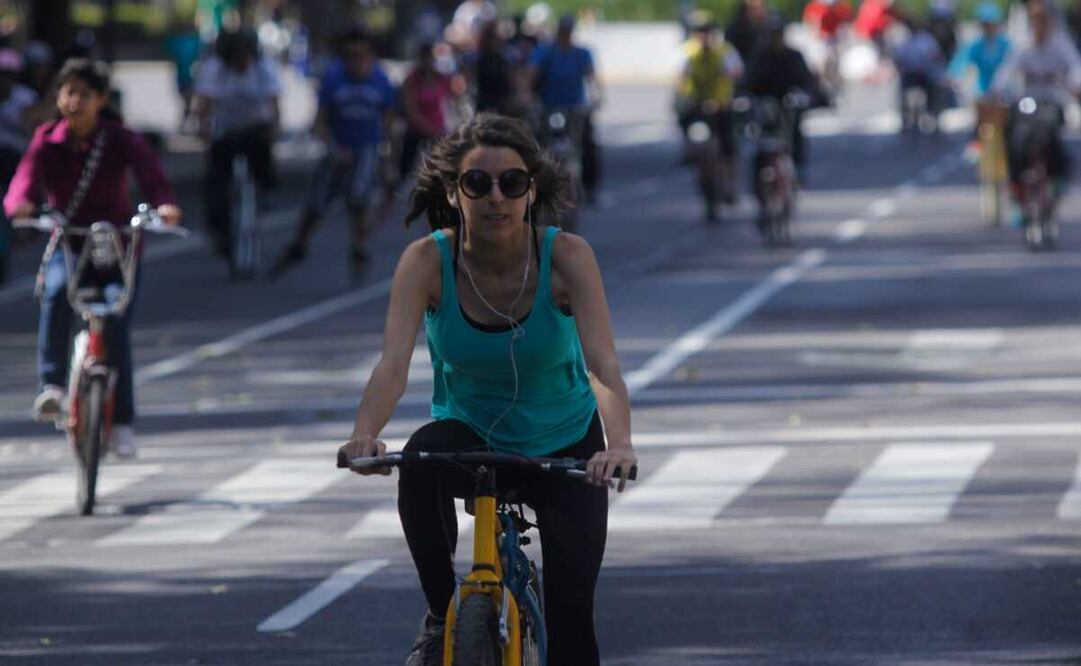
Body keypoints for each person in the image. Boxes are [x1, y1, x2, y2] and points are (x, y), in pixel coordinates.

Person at [337, 113, 636, 665]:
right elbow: (392, 366)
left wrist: (617, 447)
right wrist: (364, 436)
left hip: (565, 444)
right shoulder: (427, 262)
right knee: (421, 458)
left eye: (511, 183)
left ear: (531, 192)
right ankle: (439, 614)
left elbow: (603, 367)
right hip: (472, 439)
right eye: (477, 183)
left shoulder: (568, 257)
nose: (495, 197)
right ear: (454, 192)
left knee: (572, 629)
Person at [3, 58, 182, 457]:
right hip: (68, 240)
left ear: (101, 99)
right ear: (58, 97)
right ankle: (50, 386)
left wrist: (165, 205)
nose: (75, 101)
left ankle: (121, 423)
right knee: (55, 293)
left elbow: (153, 176)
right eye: (69, 92)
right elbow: (23, 184)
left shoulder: (120, 139)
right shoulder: (46, 140)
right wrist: (20, 206)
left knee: (114, 320)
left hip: (116, 245)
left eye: (85, 93)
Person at [270, 26, 396, 278]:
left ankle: (360, 246)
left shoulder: (381, 82)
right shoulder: (333, 79)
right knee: (318, 201)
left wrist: (389, 160)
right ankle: (299, 244)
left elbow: (389, 123)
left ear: (370, 57)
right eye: (350, 56)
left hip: (366, 148)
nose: (356, 62)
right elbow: (320, 120)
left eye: (361, 56)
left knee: (359, 197)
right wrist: (333, 147)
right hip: (338, 147)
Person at [193, 28, 280, 266]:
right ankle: (220, 231)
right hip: (226, 130)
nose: (241, 63)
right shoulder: (215, 70)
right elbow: (204, 104)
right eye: (236, 59)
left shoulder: (263, 68)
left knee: (262, 152)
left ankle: (266, 189)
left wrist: (274, 128)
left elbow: (274, 104)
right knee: (215, 181)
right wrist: (203, 131)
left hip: (255, 127)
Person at [991, 0, 1081, 217]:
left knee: (1056, 139)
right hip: (1027, 102)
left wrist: (1075, 85)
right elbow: (1006, 72)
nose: (1039, 25)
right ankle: (1016, 187)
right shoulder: (1023, 45)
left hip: (1052, 101)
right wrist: (998, 91)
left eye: (1043, 20)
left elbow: (1075, 68)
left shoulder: (1060, 44)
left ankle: (1058, 179)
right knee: (1015, 139)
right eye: (1035, 20)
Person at [529, 13, 604, 203]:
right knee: (539, 144)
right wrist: (528, 96)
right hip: (550, 107)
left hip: (575, 108)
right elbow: (532, 75)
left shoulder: (581, 53)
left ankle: (589, 188)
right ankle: (538, 186)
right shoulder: (545, 52)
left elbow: (591, 77)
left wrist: (597, 96)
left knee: (587, 144)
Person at [675, 10, 743, 216]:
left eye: (706, 30)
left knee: (728, 144)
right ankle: (688, 151)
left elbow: (734, 75)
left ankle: (730, 184)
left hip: (720, 105)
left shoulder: (724, 51)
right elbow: (680, 79)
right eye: (698, 31)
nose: (703, 35)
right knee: (685, 124)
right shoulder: (686, 53)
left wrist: (722, 100)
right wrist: (686, 100)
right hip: (697, 105)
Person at [744, 14, 821, 182]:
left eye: (777, 33)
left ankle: (799, 168)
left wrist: (805, 95)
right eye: (771, 33)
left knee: (795, 133)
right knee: (760, 143)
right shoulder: (759, 57)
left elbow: (806, 80)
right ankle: (758, 181)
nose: (775, 37)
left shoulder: (794, 56)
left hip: (788, 104)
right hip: (765, 106)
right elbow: (747, 82)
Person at [0, 48, 38, 284]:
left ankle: (23, 229)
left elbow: (33, 129)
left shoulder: (24, 98)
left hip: (17, 161)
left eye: (8, 75)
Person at [398, 42, 459, 189]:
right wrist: (430, 130)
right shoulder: (411, 80)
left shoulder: (440, 78)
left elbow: (452, 102)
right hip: (416, 132)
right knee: (407, 172)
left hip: (438, 132)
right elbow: (411, 112)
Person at [948, 1, 1011, 96]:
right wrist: (954, 76)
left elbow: (1011, 66)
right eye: (984, 24)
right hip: (982, 92)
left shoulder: (1006, 45)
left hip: (1004, 92)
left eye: (990, 24)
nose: (987, 27)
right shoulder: (976, 45)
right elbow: (961, 61)